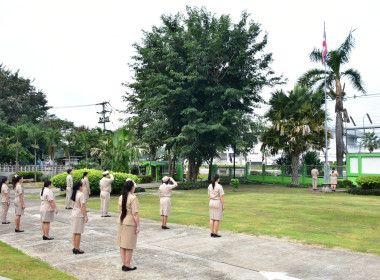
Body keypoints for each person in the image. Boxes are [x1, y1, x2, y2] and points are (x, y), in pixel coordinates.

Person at [116, 179, 140, 272]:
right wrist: (138, 225)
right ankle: (128, 264)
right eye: (134, 186)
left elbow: (119, 211)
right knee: (129, 244)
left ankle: (124, 264)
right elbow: (135, 214)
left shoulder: (121, 197)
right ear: (131, 188)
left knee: (122, 244)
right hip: (130, 222)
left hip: (121, 220)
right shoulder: (133, 198)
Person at [71, 181, 88, 254]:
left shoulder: (74, 193)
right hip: (79, 214)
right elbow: (83, 206)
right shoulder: (81, 195)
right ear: (79, 187)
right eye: (82, 186)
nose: (82, 188)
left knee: (74, 232)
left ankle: (75, 247)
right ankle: (77, 248)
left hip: (74, 213)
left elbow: (73, 204)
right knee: (78, 232)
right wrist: (86, 215)